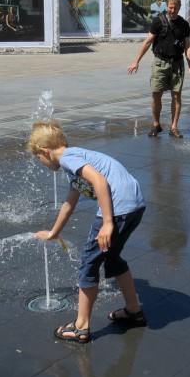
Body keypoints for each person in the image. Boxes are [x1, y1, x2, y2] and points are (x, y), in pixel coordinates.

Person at [31, 120, 148, 343]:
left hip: (117, 210)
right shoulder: (75, 160)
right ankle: (134, 311)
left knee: (89, 264)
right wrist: (54, 232)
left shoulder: (67, 159)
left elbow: (100, 181)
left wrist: (107, 223)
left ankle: (80, 326)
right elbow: (69, 202)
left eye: (38, 158)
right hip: (134, 206)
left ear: (44, 151)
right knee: (112, 258)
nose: (41, 163)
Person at [127, 0, 190, 139]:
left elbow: (188, 46)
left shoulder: (183, 24)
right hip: (160, 62)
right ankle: (156, 124)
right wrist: (136, 61)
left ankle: (174, 127)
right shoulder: (158, 21)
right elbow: (147, 42)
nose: (173, 10)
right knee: (156, 94)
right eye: (171, 7)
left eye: (176, 8)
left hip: (177, 64)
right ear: (167, 6)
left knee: (176, 96)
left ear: (179, 8)